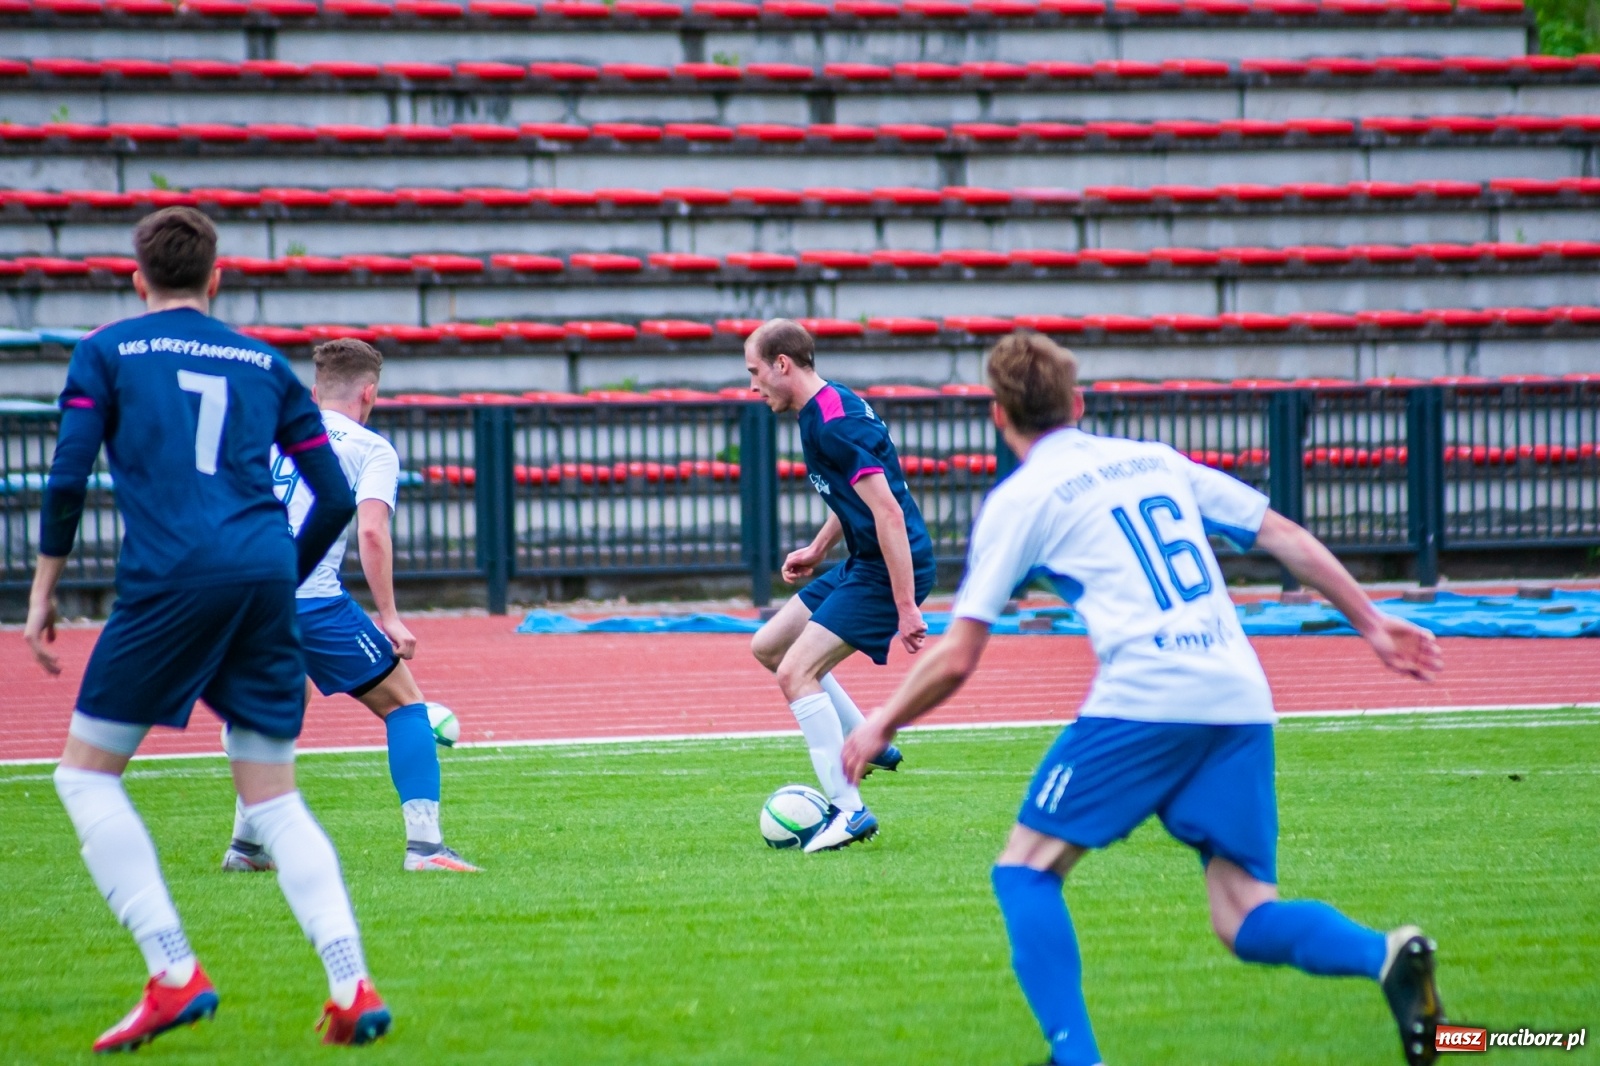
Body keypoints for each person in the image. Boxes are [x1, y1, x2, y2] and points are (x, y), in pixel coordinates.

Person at [841, 332, 1449, 1065]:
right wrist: (1373, 621)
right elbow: (1281, 533)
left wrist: (881, 720)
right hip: (1238, 694)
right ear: (1078, 401)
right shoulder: (1153, 459)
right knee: (1242, 915)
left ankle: (1076, 1057)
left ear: (999, 417)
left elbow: (960, 653)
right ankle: (1383, 954)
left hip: (1149, 695)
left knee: (1025, 870)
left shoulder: (1021, 497)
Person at [22, 207, 392, 1052]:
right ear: (217, 278)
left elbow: (68, 475)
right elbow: (334, 497)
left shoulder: (107, 350)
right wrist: (277, 579)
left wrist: (43, 589)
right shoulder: (262, 361)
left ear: (137, 277)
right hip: (266, 573)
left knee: (85, 777)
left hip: (172, 575)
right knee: (275, 794)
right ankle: (350, 982)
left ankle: (174, 970)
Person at [221, 338, 478, 874]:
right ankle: (426, 849)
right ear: (370, 392)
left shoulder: (269, 434)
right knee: (405, 704)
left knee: (283, 703)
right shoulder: (370, 448)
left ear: (315, 391)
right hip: (309, 597)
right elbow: (372, 531)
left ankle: (247, 846)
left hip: (244, 590)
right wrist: (389, 617)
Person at [744, 318, 938, 853]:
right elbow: (852, 496)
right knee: (769, 646)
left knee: (796, 673)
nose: (752, 385)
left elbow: (889, 512)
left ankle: (849, 810)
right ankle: (868, 743)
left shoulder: (833, 424)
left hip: (888, 568)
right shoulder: (824, 407)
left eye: (755, 371)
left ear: (782, 365)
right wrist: (819, 548)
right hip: (864, 560)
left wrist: (906, 607)